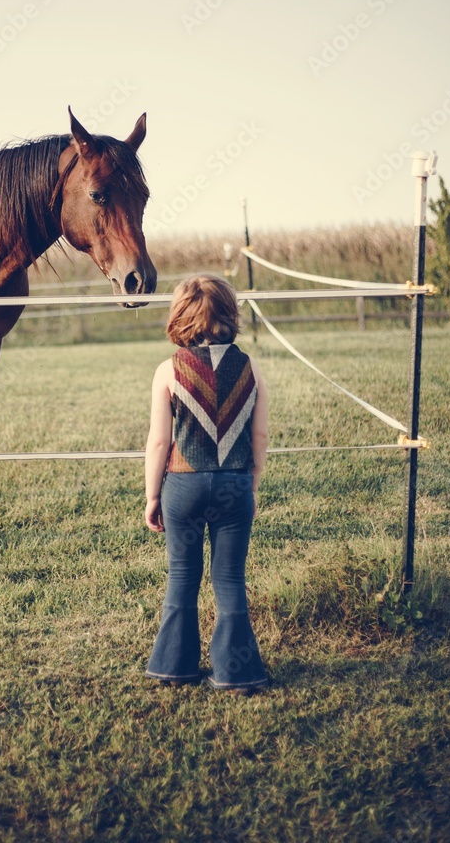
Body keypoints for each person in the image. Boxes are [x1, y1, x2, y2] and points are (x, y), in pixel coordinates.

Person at [144, 274, 269, 694]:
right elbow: (260, 436)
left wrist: (151, 495)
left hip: (183, 484)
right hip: (234, 484)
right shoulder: (249, 367)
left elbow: (160, 440)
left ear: (180, 316)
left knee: (183, 574)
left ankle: (172, 666)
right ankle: (236, 673)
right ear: (229, 315)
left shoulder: (168, 369)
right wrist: (250, 483)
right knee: (229, 578)